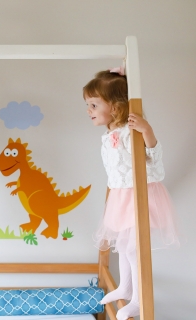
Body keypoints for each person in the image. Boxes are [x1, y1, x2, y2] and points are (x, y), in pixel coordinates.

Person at [83, 68, 179, 320]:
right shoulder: (110, 134)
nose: (88, 110)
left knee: (135, 249)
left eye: (93, 105)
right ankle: (125, 287)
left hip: (138, 196)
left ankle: (138, 299)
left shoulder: (129, 130)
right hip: (120, 197)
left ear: (114, 108)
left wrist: (147, 131)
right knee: (123, 248)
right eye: (88, 105)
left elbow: (154, 162)